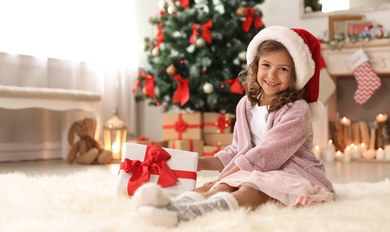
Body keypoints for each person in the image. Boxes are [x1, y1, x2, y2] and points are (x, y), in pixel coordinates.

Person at [132, 25, 335, 227]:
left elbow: (265, 155)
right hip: (255, 167)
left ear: (295, 75)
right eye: (266, 65)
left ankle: (196, 212)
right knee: (226, 184)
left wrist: (217, 181)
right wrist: (200, 163)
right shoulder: (246, 105)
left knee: (250, 185)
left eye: (282, 69)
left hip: (291, 173)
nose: (272, 75)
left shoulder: (297, 111)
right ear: (255, 66)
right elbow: (238, 151)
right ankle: (176, 206)